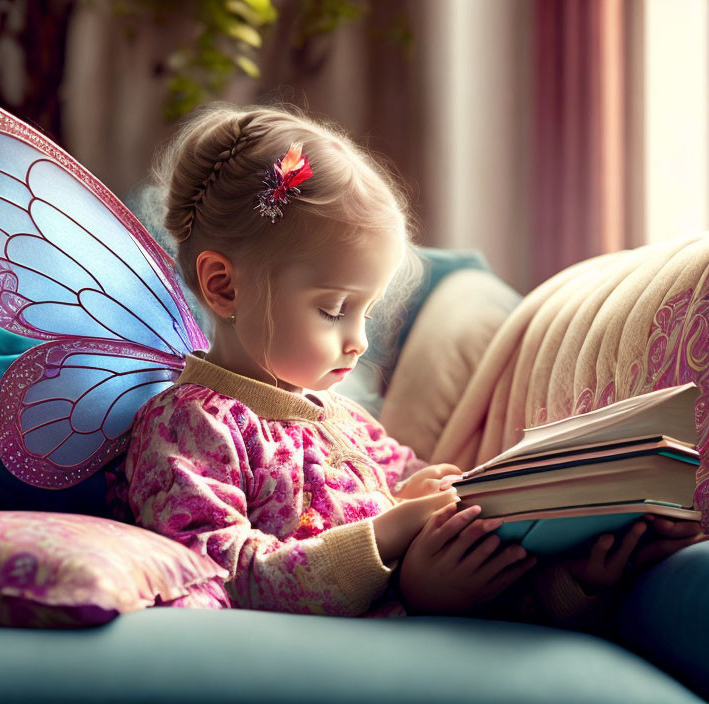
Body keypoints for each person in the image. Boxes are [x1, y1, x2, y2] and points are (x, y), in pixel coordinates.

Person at [123, 103, 704, 621]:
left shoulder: (347, 424)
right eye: (332, 310)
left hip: (446, 632)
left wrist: (561, 570)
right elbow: (219, 574)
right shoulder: (190, 424)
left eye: (366, 313)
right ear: (224, 288)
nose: (358, 342)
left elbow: (422, 518)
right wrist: (394, 532)